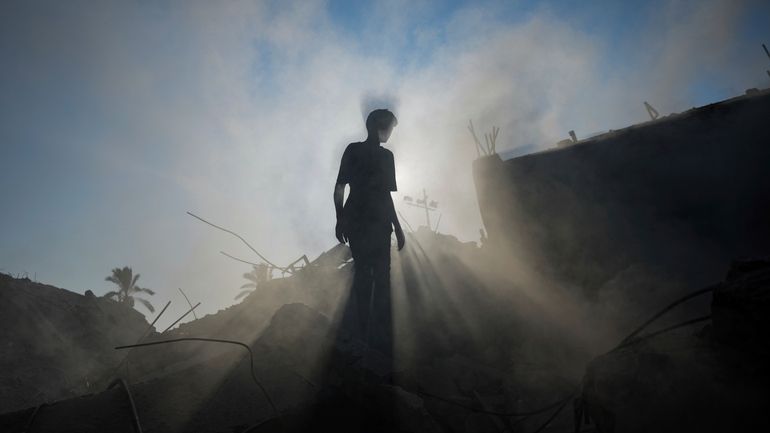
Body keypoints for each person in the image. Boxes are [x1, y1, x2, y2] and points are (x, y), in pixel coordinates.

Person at [334, 108, 405, 343]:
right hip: (365, 221)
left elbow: (384, 194)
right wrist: (340, 218)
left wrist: (397, 226)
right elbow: (341, 186)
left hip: (368, 221)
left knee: (372, 274)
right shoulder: (365, 153)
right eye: (390, 128)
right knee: (372, 274)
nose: (391, 133)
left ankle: (376, 332)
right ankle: (368, 332)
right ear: (379, 126)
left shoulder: (381, 156)